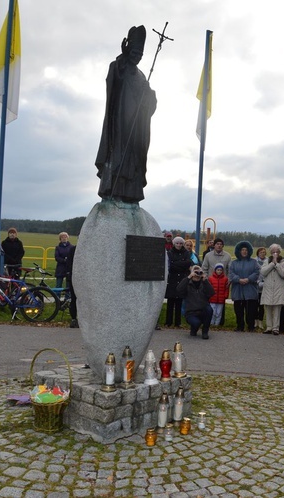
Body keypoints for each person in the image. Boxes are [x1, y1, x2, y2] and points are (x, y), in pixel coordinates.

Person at [95, 25, 156, 204]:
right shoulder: (117, 66)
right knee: (117, 158)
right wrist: (122, 59)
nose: (137, 57)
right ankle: (112, 191)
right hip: (119, 125)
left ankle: (131, 194)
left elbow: (149, 104)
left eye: (140, 55)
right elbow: (114, 82)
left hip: (136, 129)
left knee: (134, 160)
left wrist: (149, 95)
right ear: (128, 49)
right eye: (134, 52)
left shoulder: (142, 76)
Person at [229, 241, 260, 332]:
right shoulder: (234, 263)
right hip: (237, 290)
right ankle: (240, 326)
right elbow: (231, 273)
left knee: (250, 310)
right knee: (238, 310)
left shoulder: (254, 262)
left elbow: (257, 272)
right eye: (242, 250)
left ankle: (251, 326)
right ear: (239, 251)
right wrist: (238, 279)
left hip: (250, 289)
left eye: (246, 250)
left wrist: (248, 279)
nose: (244, 251)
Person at [176, 265, 214, 339]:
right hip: (191, 312)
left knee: (209, 309)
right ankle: (194, 329)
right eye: (195, 272)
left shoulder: (204, 284)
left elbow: (211, 293)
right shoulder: (187, 284)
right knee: (196, 323)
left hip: (203, 310)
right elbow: (179, 290)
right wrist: (189, 277)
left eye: (199, 272)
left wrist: (205, 280)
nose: (197, 275)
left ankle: (205, 332)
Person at [260, 244, 284, 335]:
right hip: (268, 288)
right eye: (273, 252)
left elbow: (283, 274)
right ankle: (269, 327)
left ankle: (275, 328)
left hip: (278, 289)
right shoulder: (266, 261)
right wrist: (272, 263)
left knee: (277, 309)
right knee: (268, 308)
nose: (275, 253)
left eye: (276, 252)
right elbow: (263, 272)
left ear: (279, 252)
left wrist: (277, 264)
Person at [164, 237, 192, 327]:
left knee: (179, 301)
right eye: (177, 243)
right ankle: (168, 322)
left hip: (182, 279)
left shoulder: (186, 253)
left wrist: (176, 263)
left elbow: (188, 263)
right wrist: (181, 264)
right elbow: (169, 265)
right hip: (172, 279)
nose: (179, 245)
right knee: (170, 302)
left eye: (180, 243)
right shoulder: (169, 253)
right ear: (174, 244)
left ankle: (178, 322)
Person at [255, 246, 268, 330]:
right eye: (261, 252)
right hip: (255, 285)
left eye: (263, 252)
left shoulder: (268, 261)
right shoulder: (254, 261)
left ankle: (260, 321)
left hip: (264, 286)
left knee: (261, 305)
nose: (262, 254)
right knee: (255, 305)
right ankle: (255, 321)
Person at [66, 243, 79, 328]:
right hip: (74, 276)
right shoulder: (73, 249)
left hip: (75, 276)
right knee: (74, 299)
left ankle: (75, 319)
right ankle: (74, 319)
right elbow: (69, 263)